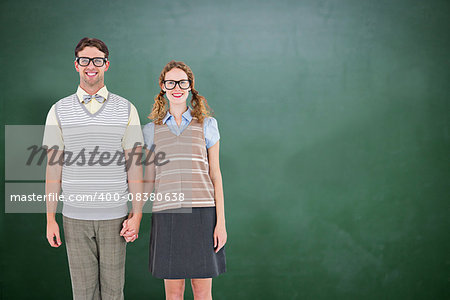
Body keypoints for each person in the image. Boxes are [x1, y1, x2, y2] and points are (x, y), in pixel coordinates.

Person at [42, 37, 144, 300]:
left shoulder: (126, 109)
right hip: (74, 218)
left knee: (113, 292)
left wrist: (137, 214)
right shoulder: (58, 110)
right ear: (76, 65)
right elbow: (53, 169)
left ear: (106, 65)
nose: (91, 66)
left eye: (97, 60)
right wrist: (50, 218)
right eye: (84, 60)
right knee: (83, 293)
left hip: (116, 219)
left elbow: (134, 167)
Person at [122, 60, 227, 299]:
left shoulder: (208, 126)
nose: (176, 87)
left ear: (190, 86)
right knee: (173, 294)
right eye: (171, 82)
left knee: (202, 293)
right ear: (162, 86)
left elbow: (215, 175)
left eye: (182, 82)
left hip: (203, 214)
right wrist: (136, 214)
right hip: (167, 214)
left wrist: (220, 223)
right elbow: (149, 179)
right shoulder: (151, 130)